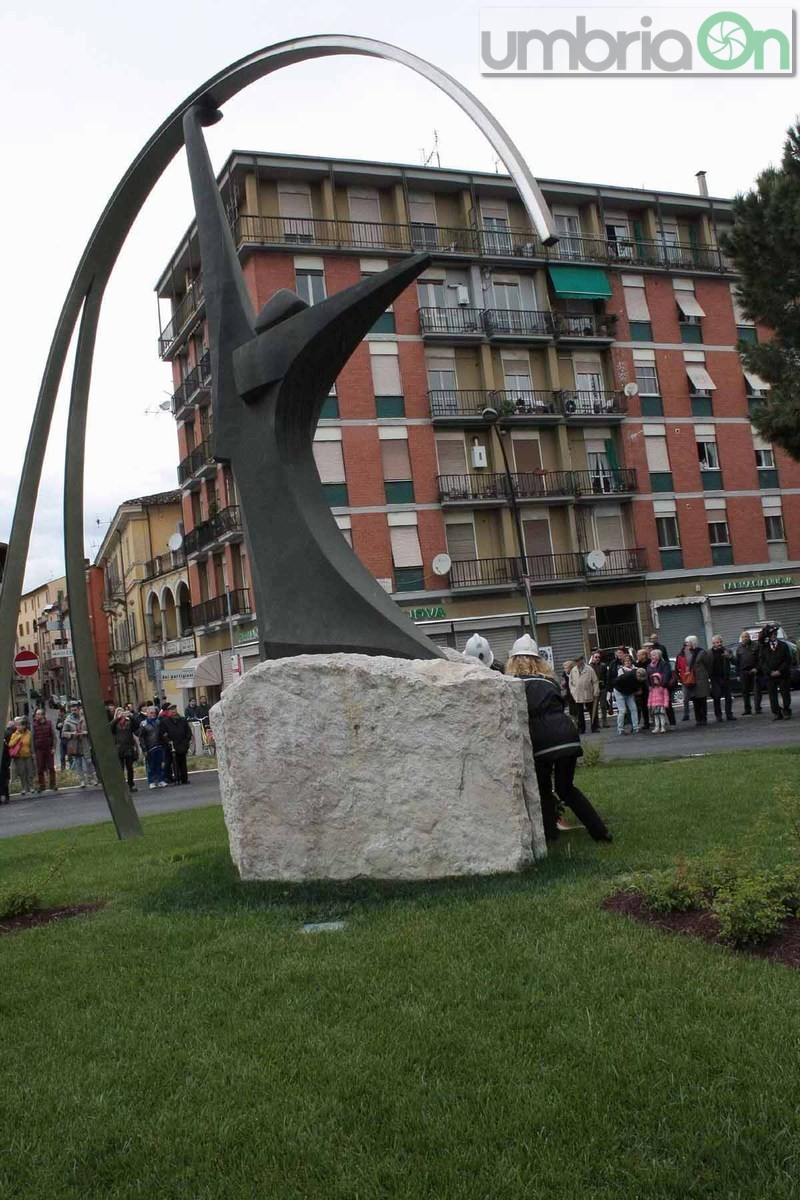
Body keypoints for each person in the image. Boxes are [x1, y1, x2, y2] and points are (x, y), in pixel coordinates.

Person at [505, 634, 611, 844]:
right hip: (567, 735)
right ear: (538, 660)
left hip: (542, 739)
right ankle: (601, 833)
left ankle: (549, 836)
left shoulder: (515, 684)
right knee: (566, 788)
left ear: (514, 660)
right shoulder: (549, 682)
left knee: (543, 789)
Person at [759, 624, 792, 721]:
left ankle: (786, 710)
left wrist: (779, 671)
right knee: (772, 695)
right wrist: (770, 672)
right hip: (770, 675)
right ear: (768, 636)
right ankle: (777, 713)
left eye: (775, 634)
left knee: (785, 693)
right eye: (771, 634)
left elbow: (787, 660)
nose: (773, 635)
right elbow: (762, 661)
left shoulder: (783, 645)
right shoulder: (764, 647)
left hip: (782, 674)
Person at [701, 635, 736, 722]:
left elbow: (735, 661)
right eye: (717, 642)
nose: (719, 644)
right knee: (717, 697)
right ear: (713, 643)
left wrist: (729, 657)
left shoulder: (727, 651)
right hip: (715, 678)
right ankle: (718, 715)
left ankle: (729, 714)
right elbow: (705, 665)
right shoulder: (709, 653)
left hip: (726, 677)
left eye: (720, 642)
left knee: (728, 697)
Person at [61, 702, 97, 787]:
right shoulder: (68, 720)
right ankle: (82, 780)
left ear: (78, 709)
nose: (74, 711)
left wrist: (84, 733)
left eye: (75, 710)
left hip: (84, 742)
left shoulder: (84, 718)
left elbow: (91, 730)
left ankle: (91, 778)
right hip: (74, 744)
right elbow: (63, 733)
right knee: (78, 763)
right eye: (72, 710)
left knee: (88, 761)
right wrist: (72, 734)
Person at [160, 705, 192, 785]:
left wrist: (186, 741)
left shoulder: (182, 720)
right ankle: (176, 778)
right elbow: (163, 734)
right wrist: (168, 741)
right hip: (172, 745)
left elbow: (188, 732)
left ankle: (184, 779)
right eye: (171, 710)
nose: (173, 711)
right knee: (174, 763)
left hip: (182, 744)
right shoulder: (165, 721)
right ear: (168, 711)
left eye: (174, 709)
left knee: (183, 763)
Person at [137, 706, 168, 789]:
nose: (153, 714)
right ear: (147, 714)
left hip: (158, 746)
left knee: (159, 764)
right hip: (150, 747)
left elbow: (161, 734)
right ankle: (151, 781)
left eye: (154, 713)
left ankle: (161, 780)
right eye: (151, 713)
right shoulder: (144, 724)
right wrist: (144, 749)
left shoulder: (158, 722)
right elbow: (142, 738)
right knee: (151, 765)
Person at [683, 636, 710, 726]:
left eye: (688, 642)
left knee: (702, 699)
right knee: (695, 700)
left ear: (693, 642)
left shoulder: (701, 652)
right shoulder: (687, 653)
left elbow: (707, 664)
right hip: (692, 680)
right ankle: (698, 719)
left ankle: (703, 718)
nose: (686, 644)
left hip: (701, 679)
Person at [568, 654, 599, 734]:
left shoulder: (589, 669)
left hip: (588, 692)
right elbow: (570, 683)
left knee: (592, 711)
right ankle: (581, 728)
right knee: (579, 713)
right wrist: (573, 691)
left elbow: (595, 681)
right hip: (578, 694)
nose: (578, 662)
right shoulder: (573, 670)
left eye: (579, 660)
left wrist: (596, 691)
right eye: (576, 661)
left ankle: (594, 727)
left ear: (582, 660)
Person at [111, 709, 138, 792]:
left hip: (128, 747)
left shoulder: (128, 722)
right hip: (119, 748)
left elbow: (136, 726)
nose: (121, 714)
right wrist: (117, 718)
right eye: (119, 712)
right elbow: (110, 728)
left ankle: (131, 784)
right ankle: (121, 785)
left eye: (122, 712)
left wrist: (131, 717)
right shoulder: (115, 723)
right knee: (120, 768)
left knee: (130, 767)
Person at [612, 653, 640, 735]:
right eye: (625, 661)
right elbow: (620, 682)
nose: (627, 662)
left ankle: (636, 727)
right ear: (623, 662)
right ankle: (620, 728)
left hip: (629, 691)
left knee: (633, 708)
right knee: (622, 710)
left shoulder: (636, 669)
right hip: (620, 691)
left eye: (629, 660)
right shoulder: (621, 670)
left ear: (632, 661)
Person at [735, 631, 761, 716]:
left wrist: (757, 668)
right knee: (745, 692)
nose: (744, 638)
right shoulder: (739, 648)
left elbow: (760, 659)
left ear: (749, 637)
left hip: (754, 671)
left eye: (746, 637)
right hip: (743, 672)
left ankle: (758, 708)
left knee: (756, 691)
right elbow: (737, 662)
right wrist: (738, 674)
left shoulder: (756, 645)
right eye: (743, 637)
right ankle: (747, 709)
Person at [32, 707, 57, 793]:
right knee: (40, 768)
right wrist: (33, 752)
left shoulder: (49, 723)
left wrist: (53, 748)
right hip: (39, 749)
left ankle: (53, 784)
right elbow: (32, 739)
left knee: (51, 767)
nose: (37, 716)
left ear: (43, 715)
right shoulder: (34, 725)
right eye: (36, 714)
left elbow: (54, 737)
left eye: (39, 714)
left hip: (48, 748)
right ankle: (42, 785)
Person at [646, 649, 671, 734]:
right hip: (653, 689)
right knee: (655, 714)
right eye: (651, 655)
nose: (652, 657)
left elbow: (667, 674)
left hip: (662, 687)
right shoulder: (649, 666)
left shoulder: (664, 664)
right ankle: (657, 726)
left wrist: (662, 684)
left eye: (654, 655)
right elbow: (647, 677)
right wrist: (649, 685)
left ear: (659, 656)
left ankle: (666, 725)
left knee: (663, 713)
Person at [9, 717, 34, 796]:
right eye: (17, 725)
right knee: (22, 773)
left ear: (24, 726)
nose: (18, 727)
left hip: (28, 755)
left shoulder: (29, 733)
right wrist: (17, 738)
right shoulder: (14, 734)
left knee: (29, 772)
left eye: (20, 725)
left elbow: (32, 744)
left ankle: (31, 787)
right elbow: (10, 744)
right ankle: (24, 788)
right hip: (19, 757)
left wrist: (33, 753)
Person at [588, 651, 609, 730]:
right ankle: (596, 723)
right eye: (596, 657)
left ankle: (604, 721)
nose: (597, 659)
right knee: (594, 706)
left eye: (599, 657)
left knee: (603, 706)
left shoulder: (603, 666)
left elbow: (606, 676)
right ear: (592, 657)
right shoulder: (589, 667)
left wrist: (606, 685)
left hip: (602, 688)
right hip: (593, 689)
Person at [635, 648, 651, 730]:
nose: (637, 656)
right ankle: (646, 723)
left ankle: (656, 721)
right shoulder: (637, 665)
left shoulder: (650, 663)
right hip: (642, 688)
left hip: (649, 687)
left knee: (653, 705)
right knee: (643, 706)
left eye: (638, 655)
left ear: (644, 655)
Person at [0, 724, 11, 804]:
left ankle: (6, 795)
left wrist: (7, 763)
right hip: (3, 763)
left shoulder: (5, 734)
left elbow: (7, 752)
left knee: (4, 779)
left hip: (3, 764)